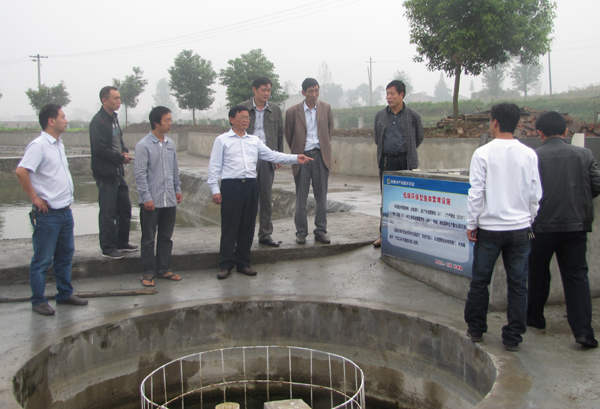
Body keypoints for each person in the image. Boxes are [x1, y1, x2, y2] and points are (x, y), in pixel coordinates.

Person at [464, 103, 542, 352]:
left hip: (489, 229)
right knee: (518, 284)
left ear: (495, 122)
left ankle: (476, 329)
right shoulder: (529, 154)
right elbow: (535, 194)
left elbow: (476, 192)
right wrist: (528, 219)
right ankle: (513, 337)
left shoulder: (483, 153)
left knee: (480, 281)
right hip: (520, 230)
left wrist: (471, 223)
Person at [208, 105, 313, 279]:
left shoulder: (254, 141)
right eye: (241, 117)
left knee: (248, 226)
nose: (245, 120)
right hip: (231, 186)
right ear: (231, 120)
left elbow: (272, 155)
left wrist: (295, 158)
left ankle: (243, 262)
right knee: (230, 227)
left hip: (250, 185)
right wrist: (214, 189)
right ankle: (225, 264)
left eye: (247, 118)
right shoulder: (222, 140)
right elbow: (214, 166)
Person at [527, 111, 600, 348]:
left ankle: (535, 318)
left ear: (539, 133)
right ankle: (583, 332)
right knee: (577, 277)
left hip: (541, 226)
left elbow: (526, 191)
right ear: (566, 131)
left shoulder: (533, 157)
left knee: (537, 272)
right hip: (576, 226)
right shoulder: (584, 154)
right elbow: (596, 184)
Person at [15, 104, 89, 316]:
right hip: (48, 214)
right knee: (42, 260)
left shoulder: (58, 144)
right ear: (51, 121)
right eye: (63, 117)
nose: (66, 120)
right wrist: (34, 197)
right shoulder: (39, 146)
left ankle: (64, 294)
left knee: (65, 256)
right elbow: (21, 171)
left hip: (64, 211)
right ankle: (38, 301)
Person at [134, 106, 183, 287]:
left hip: (169, 199)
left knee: (165, 237)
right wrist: (146, 197)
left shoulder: (170, 144)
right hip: (151, 201)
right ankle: (148, 273)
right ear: (156, 123)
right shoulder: (143, 146)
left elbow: (174, 169)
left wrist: (177, 188)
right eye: (167, 120)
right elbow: (140, 174)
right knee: (148, 239)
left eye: (170, 120)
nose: (170, 123)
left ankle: (164, 269)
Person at [373, 80, 424, 247]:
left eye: (392, 94)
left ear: (402, 95)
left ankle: (406, 236)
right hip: (387, 161)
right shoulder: (381, 116)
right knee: (387, 199)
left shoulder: (412, 115)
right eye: (387, 94)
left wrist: (407, 150)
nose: (388, 97)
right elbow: (377, 138)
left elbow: (419, 137)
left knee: (407, 199)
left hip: (406, 162)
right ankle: (384, 235)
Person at [89, 86, 138, 259]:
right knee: (108, 212)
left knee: (125, 208)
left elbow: (119, 140)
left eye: (119, 98)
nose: (119, 101)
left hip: (117, 171)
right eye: (115, 98)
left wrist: (124, 151)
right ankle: (108, 248)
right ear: (104, 100)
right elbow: (100, 149)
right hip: (105, 173)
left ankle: (121, 242)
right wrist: (119, 158)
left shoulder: (114, 119)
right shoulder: (98, 122)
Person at [285, 78, 334, 245]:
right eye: (311, 91)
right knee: (301, 197)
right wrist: (299, 151)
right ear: (303, 92)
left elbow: (329, 130)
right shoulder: (292, 112)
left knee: (321, 197)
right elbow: (289, 135)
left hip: (321, 156)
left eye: (316, 90)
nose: (314, 94)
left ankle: (321, 231)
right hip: (302, 158)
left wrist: (322, 147)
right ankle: (301, 233)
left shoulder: (326, 108)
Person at [240, 76, 284, 247]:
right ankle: (244, 236)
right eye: (263, 90)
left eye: (269, 90)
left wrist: (278, 156)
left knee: (266, 198)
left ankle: (265, 234)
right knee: (247, 199)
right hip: (247, 158)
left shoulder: (275, 109)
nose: (266, 93)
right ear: (254, 90)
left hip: (267, 157)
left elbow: (279, 133)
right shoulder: (243, 108)